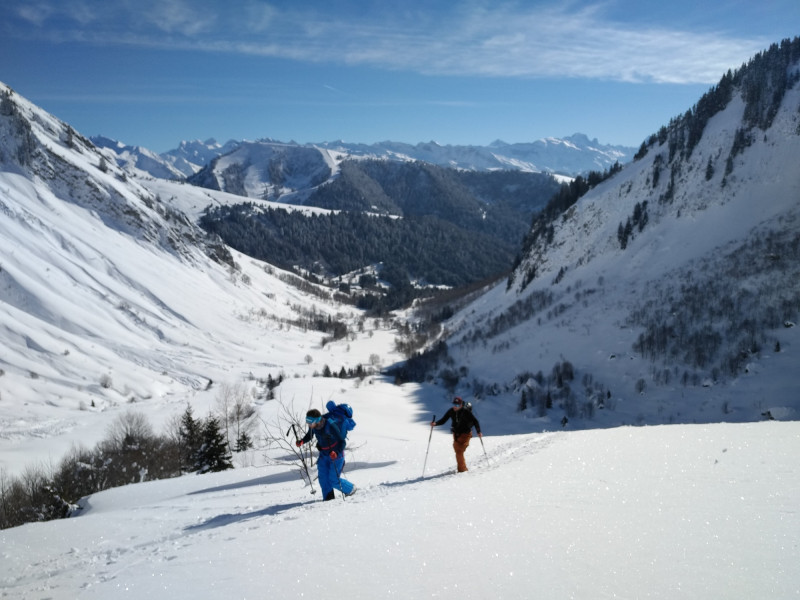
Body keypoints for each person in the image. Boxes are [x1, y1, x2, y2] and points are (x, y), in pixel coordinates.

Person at [296, 408, 356, 500]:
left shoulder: (330, 425)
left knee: (333, 479)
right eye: (307, 422)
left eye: (310, 422)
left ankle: (351, 489)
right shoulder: (313, 427)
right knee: (323, 479)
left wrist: (336, 452)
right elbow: (309, 435)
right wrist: (302, 441)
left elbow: (342, 442)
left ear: (317, 420)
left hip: (336, 455)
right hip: (324, 454)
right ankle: (328, 499)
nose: (308, 424)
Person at [431, 397, 482, 473]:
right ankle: (461, 468)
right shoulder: (451, 411)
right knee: (457, 450)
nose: (455, 406)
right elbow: (443, 420)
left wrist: (478, 432)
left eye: (457, 405)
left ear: (461, 405)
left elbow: (475, 421)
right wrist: (435, 423)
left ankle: (463, 470)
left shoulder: (465, 412)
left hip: (466, 434)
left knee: (459, 451)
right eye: (454, 404)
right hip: (456, 435)